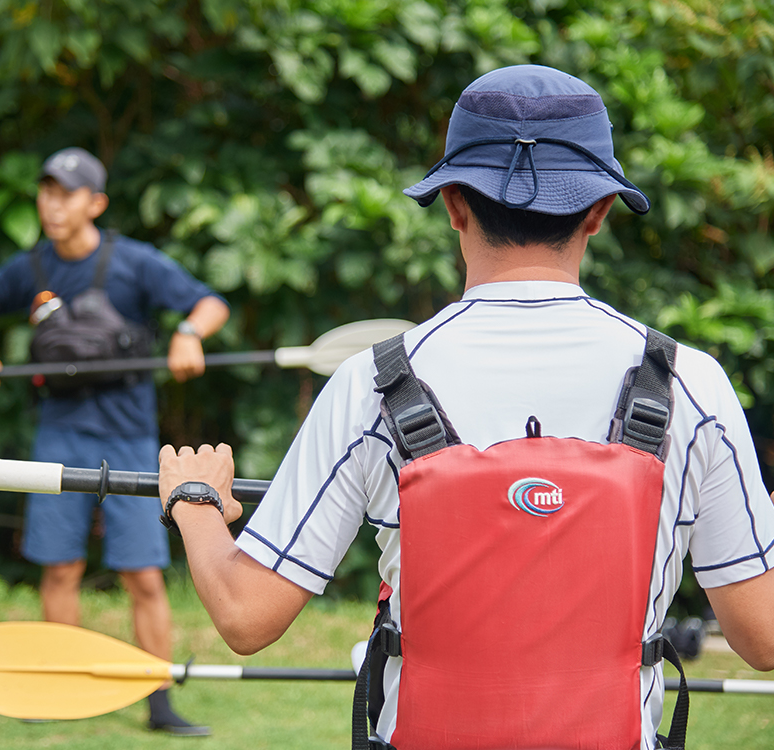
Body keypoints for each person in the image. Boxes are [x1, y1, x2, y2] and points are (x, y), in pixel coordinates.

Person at [153, 65, 774, 748]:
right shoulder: (694, 385)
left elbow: (246, 616)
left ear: (453, 203)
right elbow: (762, 637)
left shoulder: (372, 384)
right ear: (600, 211)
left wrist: (194, 502)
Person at [0, 146, 229, 736]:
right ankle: (61, 686)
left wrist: (187, 334)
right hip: (59, 437)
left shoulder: (136, 263)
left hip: (128, 440)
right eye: (46, 191)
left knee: (143, 574)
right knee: (60, 569)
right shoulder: (30, 269)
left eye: (67, 193)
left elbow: (209, 304)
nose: (53, 204)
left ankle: (158, 702)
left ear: (95, 203)